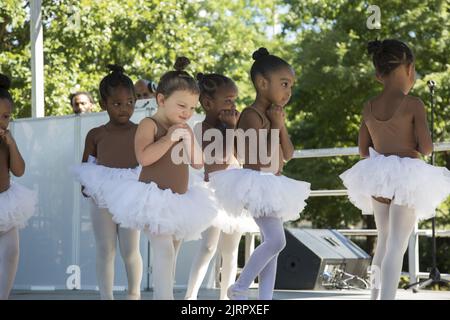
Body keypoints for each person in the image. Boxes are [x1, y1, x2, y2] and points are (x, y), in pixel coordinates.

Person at [340, 39, 450, 300]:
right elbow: (426, 148)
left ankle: (374, 296)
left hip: (379, 176)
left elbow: (363, 150)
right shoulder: (413, 104)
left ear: (379, 74)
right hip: (408, 177)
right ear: (409, 68)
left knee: (383, 241)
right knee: (397, 245)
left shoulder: (368, 106)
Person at [102, 57, 217, 300]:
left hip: (179, 202)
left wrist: (186, 137)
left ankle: (164, 294)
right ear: (162, 100)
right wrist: (168, 139)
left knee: (171, 256)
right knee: (164, 252)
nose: (187, 113)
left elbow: (198, 162)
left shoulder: (185, 128)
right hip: (153, 200)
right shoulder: (149, 124)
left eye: (192, 108)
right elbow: (144, 157)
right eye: (182, 106)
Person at [210, 48, 311, 300]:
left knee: (271, 244)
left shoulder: (276, 115)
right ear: (263, 83)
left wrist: (281, 124)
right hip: (257, 184)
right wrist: (275, 125)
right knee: (277, 241)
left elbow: (288, 153)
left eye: (291, 86)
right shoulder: (251, 115)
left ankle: (265, 297)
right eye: (284, 84)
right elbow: (255, 156)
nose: (289, 92)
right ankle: (240, 287)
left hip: (274, 184)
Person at [185, 73, 258, 300]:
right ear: (208, 103)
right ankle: (190, 296)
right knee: (208, 247)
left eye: (234, 100)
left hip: (234, 190)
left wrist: (233, 129)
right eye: (227, 101)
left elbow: (243, 156)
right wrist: (228, 129)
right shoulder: (200, 128)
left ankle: (226, 297)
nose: (233, 105)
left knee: (231, 249)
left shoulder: (233, 127)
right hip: (212, 191)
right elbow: (215, 162)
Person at [73, 65, 143, 300]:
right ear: (103, 104)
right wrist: (86, 186)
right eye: (117, 103)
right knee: (105, 249)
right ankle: (106, 296)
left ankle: (134, 294)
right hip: (101, 193)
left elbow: (148, 159)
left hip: (130, 193)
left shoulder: (141, 130)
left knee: (130, 250)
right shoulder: (95, 134)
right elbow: (87, 164)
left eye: (130, 102)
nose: (125, 108)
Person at [0, 73, 37, 300]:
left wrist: (11, 144)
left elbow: (19, 170)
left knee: (12, 253)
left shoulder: (7, 141)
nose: (1, 121)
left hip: (6, 202)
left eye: (5, 116)